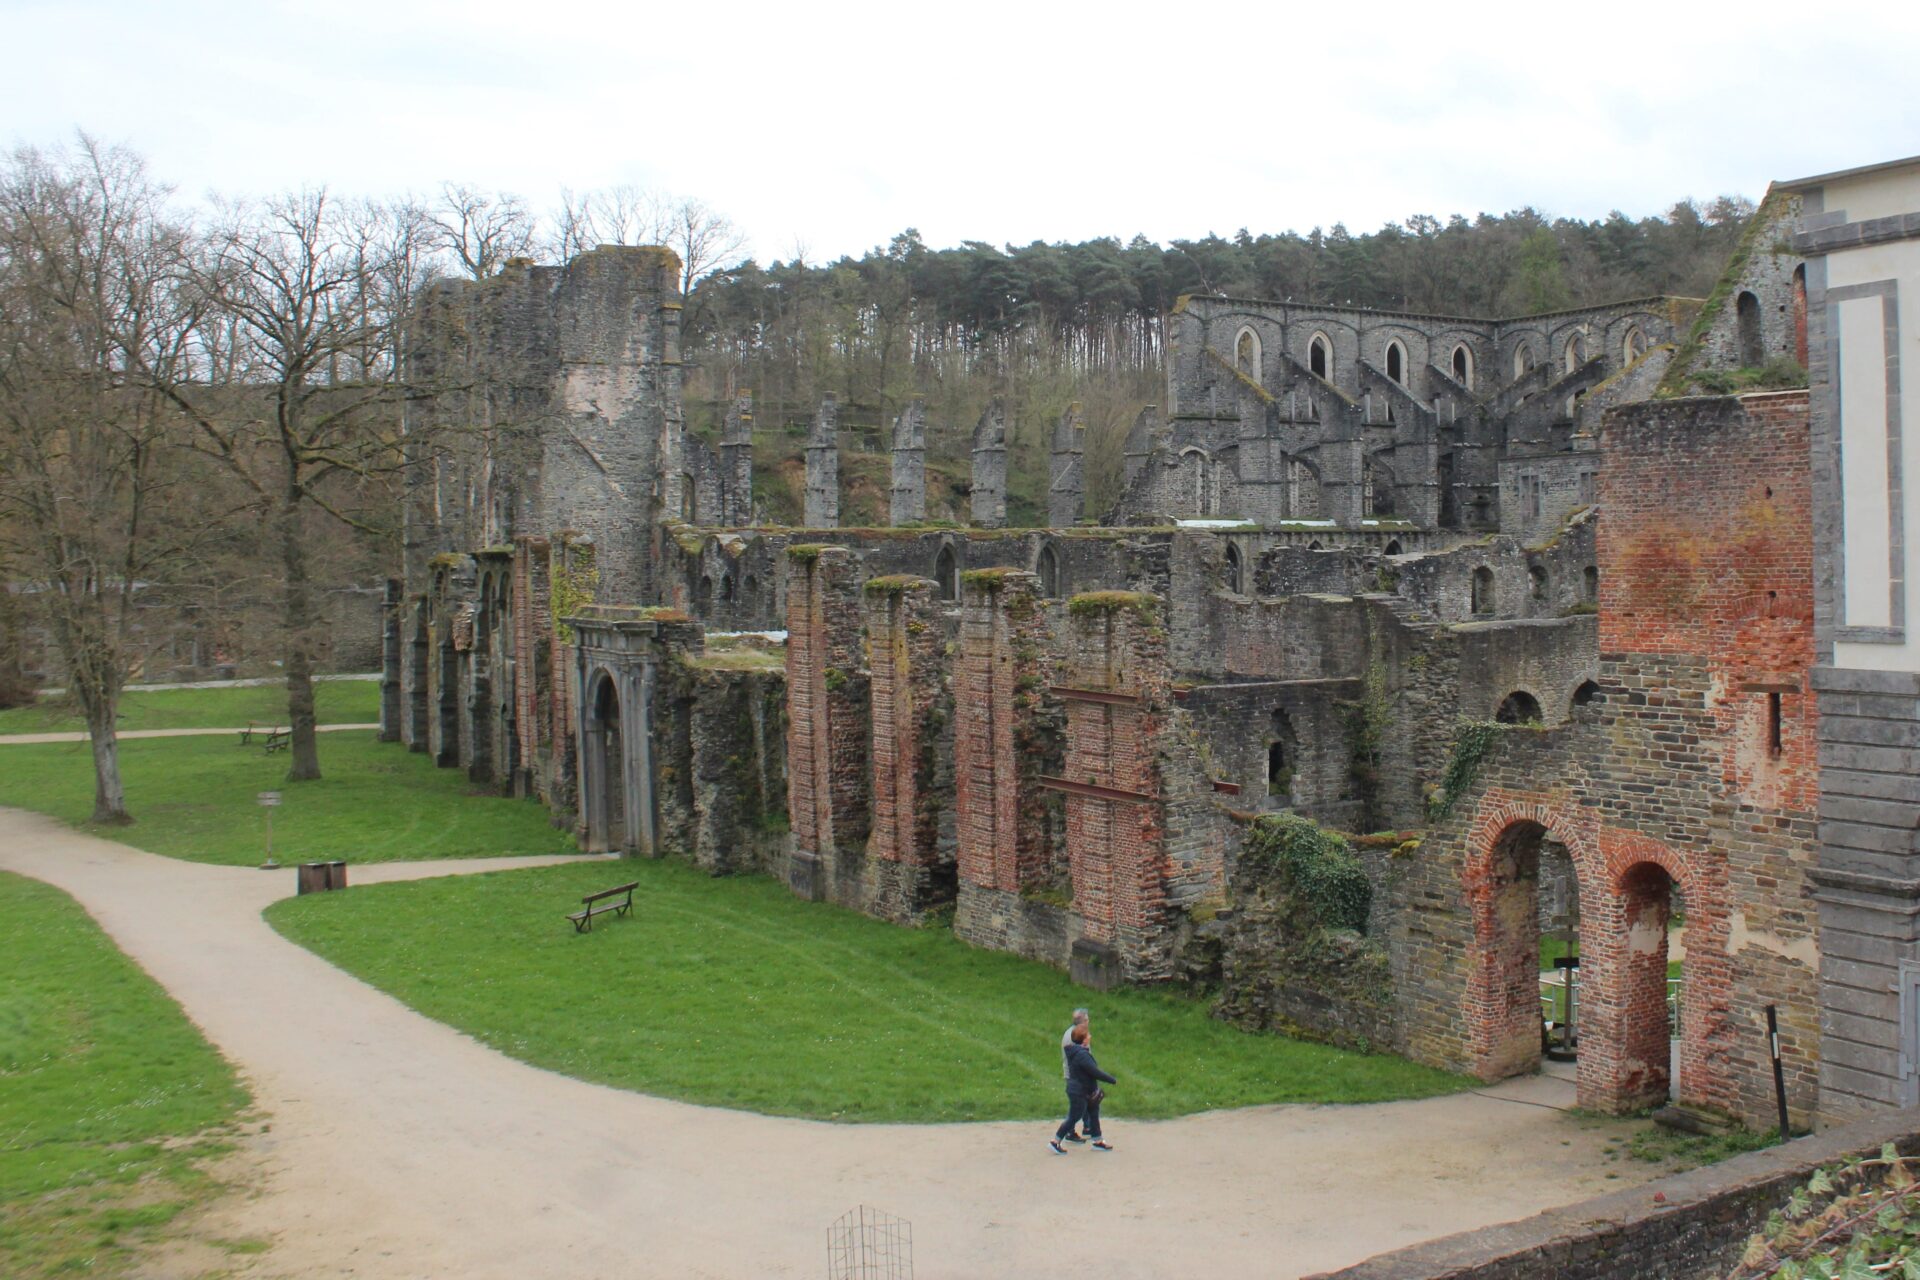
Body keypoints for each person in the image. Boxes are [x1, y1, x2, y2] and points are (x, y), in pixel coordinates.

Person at [1050, 1024, 1115, 1154]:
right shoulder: (1082, 1055)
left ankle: (1097, 1141)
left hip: (1086, 1090)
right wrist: (1111, 1079)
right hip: (1079, 1092)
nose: (1090, 1036)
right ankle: (1055, 1142)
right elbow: (1094, 1072)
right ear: (1084, 1039)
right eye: (1088, 1035)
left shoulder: (1077, 1052)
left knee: (1093, 1113)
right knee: (1075, 1116)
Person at [1059, 1008, 1090, 1140]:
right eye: (1087, 1019)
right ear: (1082, 1021)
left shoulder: (1077, 1033)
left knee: (1086, 1100)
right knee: (1078, 1104)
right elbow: (1079, 1058)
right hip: (1076, 1075)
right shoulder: (1073, 1035)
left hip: (1079, 1074)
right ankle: (1068, 1131)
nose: (1089, 1022)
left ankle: (1087, 1126)